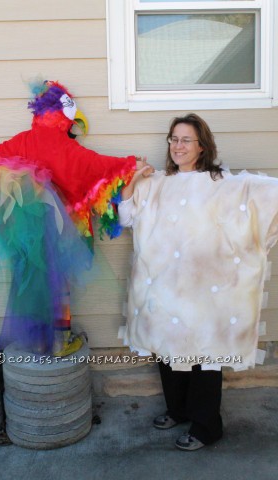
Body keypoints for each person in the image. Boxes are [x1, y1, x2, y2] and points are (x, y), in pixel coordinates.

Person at [118, 113, 278, 451]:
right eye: (173, 139)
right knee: (167, 345)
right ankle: (177, 410)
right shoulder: (155, 183)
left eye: (185, 139)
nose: (177, 146)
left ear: (202, 145)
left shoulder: (221, 184)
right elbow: (126, 216)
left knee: (206, 352)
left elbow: (264, 198)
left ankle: (207, 427)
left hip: (206, 290)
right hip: (164, 286)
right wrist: (133, 182)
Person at [0, 79, 148, 356]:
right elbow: (99, 164)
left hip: (26, 232)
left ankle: (35, 339)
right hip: (64, 231)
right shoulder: (69, 149)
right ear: (64, 115)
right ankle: (60, 340)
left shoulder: (22, 141)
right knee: (60, 283)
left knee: (29, 283)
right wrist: (131, 164)